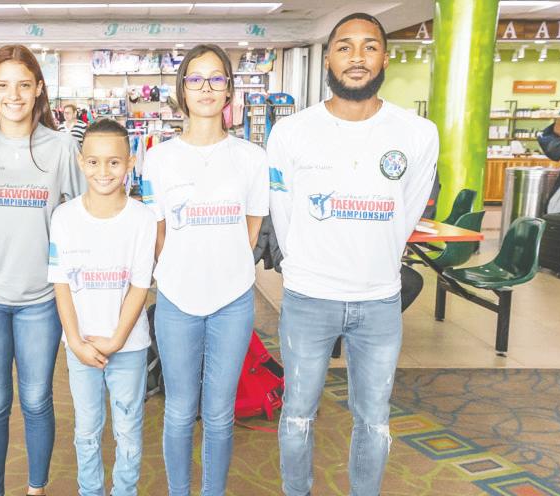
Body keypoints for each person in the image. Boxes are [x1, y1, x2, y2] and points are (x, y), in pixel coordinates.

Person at [267, 13, 438, 496]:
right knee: (297, 414)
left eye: (369, 47)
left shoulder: (417, 133)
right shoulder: (292, 132)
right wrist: (306, 267)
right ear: (328, 59)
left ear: (386, 58)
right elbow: (283, 214)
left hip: (379, 301)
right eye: (345, 47)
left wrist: (374, 259)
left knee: (375, 420)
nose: (357, 58)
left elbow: (407, 212)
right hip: (308, 298)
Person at [139, 44, 268, 495]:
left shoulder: (251, 157)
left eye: (216, 78)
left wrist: (222, 262)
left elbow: (252, 227)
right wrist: (183, 266)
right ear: (183, 90)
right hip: (177, 298)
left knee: (218, 413)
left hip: (233, 300)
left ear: (229, 88)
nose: (206, 88)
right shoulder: (159, 158)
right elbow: (158, 231)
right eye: (195, 79)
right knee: (178, 410)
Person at [0, 45, 82, 496]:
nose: (13, 95)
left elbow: (84, 213)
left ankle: (36, 488)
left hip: (41, 299)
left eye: (23, 85)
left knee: (36, 399)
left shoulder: (60, 147)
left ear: (39, 89)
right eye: (3, 85)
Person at [49, 119, 155, 496]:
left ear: (130, 163)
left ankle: (125, 490)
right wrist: (76, 341)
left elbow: (140, 287)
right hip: (80, 348)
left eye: (114, 162)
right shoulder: (64, 218)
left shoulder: (142, 219)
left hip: (128, 346)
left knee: (128, 432)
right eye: (93, 162)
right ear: (81, 162)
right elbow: (61, 284)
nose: (103, 171)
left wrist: (116, 340)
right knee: (87, 431)